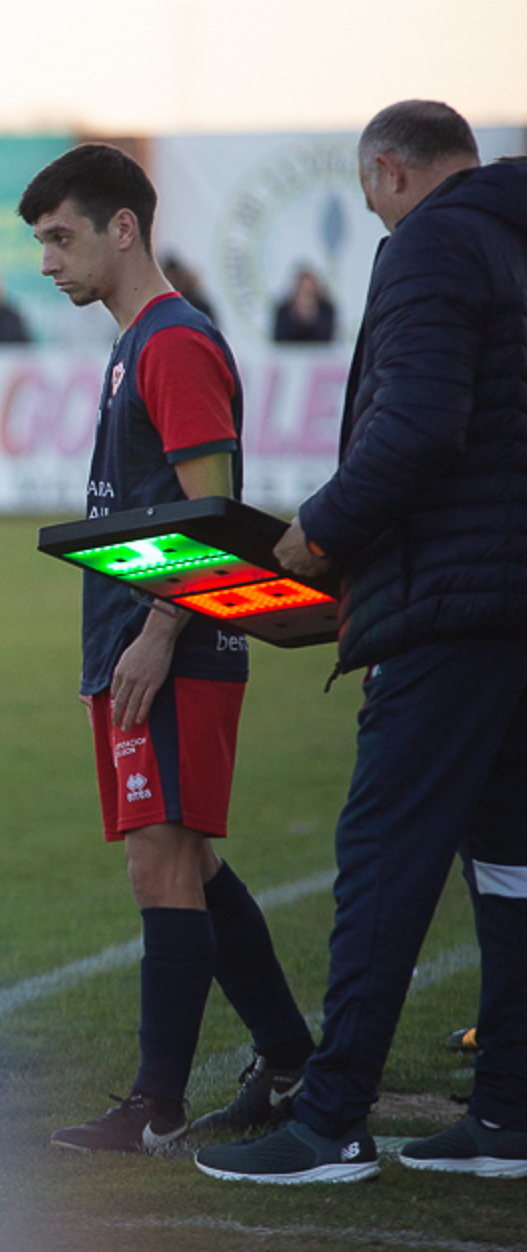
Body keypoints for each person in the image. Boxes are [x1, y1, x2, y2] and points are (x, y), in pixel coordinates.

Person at [197, 101, 527, 1184]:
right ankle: (509, 1109)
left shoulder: (429, 239)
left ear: (385, 171)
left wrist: (318, 529)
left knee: (384, 850)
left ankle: (330, 1117)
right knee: (510, 862)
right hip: (509, 596)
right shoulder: (507, 232)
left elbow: (421, 421)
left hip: (452, 599)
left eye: (367, 195)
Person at [18, 144, 317, 1154]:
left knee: (161, 864)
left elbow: (210, 510)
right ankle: (285, 1052)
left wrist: (152, 634)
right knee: (188, 856)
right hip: (139, 641)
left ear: (122, 227)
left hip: (171, 647)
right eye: (38, 243)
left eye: (58, 237)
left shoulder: (172, 341)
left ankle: (154, 1103)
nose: (45, 261)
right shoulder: (132, 340)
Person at [271, 266, 337, 343]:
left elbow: (327, 338)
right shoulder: (283, 310)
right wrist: (297, 315)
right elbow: (280, 339)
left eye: (309, 291)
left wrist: (313, 316)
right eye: (303, 289)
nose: (306, 294)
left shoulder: (326, 309)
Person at [161, 254, 219, 323]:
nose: (174, 283)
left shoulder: (197, 305)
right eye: (169, 279)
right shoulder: (164, 307)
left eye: (177, 278)